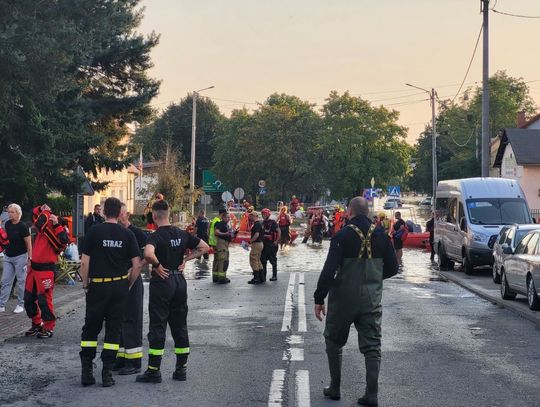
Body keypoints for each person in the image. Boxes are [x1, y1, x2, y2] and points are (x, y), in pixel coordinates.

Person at [314, 197, 398, 405]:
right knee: (372, 346)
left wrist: (319, 297)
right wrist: (374, 278)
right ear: (368, 212)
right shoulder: (381, 235)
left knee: (333, 341)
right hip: (371, 299)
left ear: (349, 212)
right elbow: (393, 268)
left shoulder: (342, 235)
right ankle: (371, 394)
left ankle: (335, 387)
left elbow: (328, 270)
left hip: (342, 299)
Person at [136, 199, 209, 384]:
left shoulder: (155, 236)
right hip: (179, 281)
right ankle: (181, 369)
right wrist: (186, 259)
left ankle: (154, 371)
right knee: (179, 325)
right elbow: (204, 247)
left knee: (158, 325)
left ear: (154, 216)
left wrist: (158, 265)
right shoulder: (181, 233)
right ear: (170, 214)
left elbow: (148, 254)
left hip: (162, 281)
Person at [79, 197, 142, 387]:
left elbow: (84, 262)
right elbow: (137, 264)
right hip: (119, 286)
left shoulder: (94, 231)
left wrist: (85, 284)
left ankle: (87, 372)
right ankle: (107, 374)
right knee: (114, 329)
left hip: (98, 285)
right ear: (119, 212)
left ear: (105, 211)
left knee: (91, 327)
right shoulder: (127, 234)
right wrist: (128, 284)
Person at [23, 204, 69, 338]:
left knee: (44, 300)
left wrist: (56, 224)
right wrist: (41, 208)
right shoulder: (41, 227)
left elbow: (64, 241)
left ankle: (49, 327)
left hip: (46, 270)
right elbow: (32, 214)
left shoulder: (56, 230)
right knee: (28, 299)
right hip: (34, 268)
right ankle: (37, 324)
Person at [114, 204, 148, 375]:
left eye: (121, 214)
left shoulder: (137, 233)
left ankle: (134, 362)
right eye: (117, 214)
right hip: (118, 281)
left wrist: (135, 269)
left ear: (127, 214)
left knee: (132, 320)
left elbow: (146, 256)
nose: (119, 217)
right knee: (118, 320)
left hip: (133, 281)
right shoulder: (115, 233)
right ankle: (121, 358)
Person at [0, 203, 32, 314]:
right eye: (8, 212)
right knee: (5, 281)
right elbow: (4, 237)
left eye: (12, 212)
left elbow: (29, 244)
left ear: (18, 213)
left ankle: (20, 304)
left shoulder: (23, 226)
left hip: (21, 257)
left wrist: (30, 258)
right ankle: (2, 304)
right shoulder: (7, 224)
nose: (9, 214)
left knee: (21, 281)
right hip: (8, 256)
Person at [213, 210, 235, 284]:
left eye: (229, 217)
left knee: (218, 260)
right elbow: (216, 232)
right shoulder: (220, 223)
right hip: (221, 243)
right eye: (227, 217)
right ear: (223, 217)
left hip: (225, 243)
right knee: (223, 260)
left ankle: (215, 277)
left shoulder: (226, 225)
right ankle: (221, 278)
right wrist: (225, 234)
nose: (228, 219)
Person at [261, 208, 280, 282]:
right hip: (264, 244)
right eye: (262, 214)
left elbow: (279, 231)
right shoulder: (262, 223)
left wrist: (276, 241)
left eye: (265, 214)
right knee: (263, 260)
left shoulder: (273, 223)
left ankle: (274, 275)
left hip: (272, 244)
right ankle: (263, 276)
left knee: (273, 260)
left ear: (268, 214)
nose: (263, 215)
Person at [248, 212, 264, 285]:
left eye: (250, 216)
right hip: (260, 243)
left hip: (256, 243)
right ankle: (261, 277)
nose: (249, 217)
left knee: (253, 260)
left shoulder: (257, 224)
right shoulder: (260, 223)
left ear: (254, 216)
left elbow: (256, 234)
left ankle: (256, 278)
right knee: (258, 260)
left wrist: (250, 241)